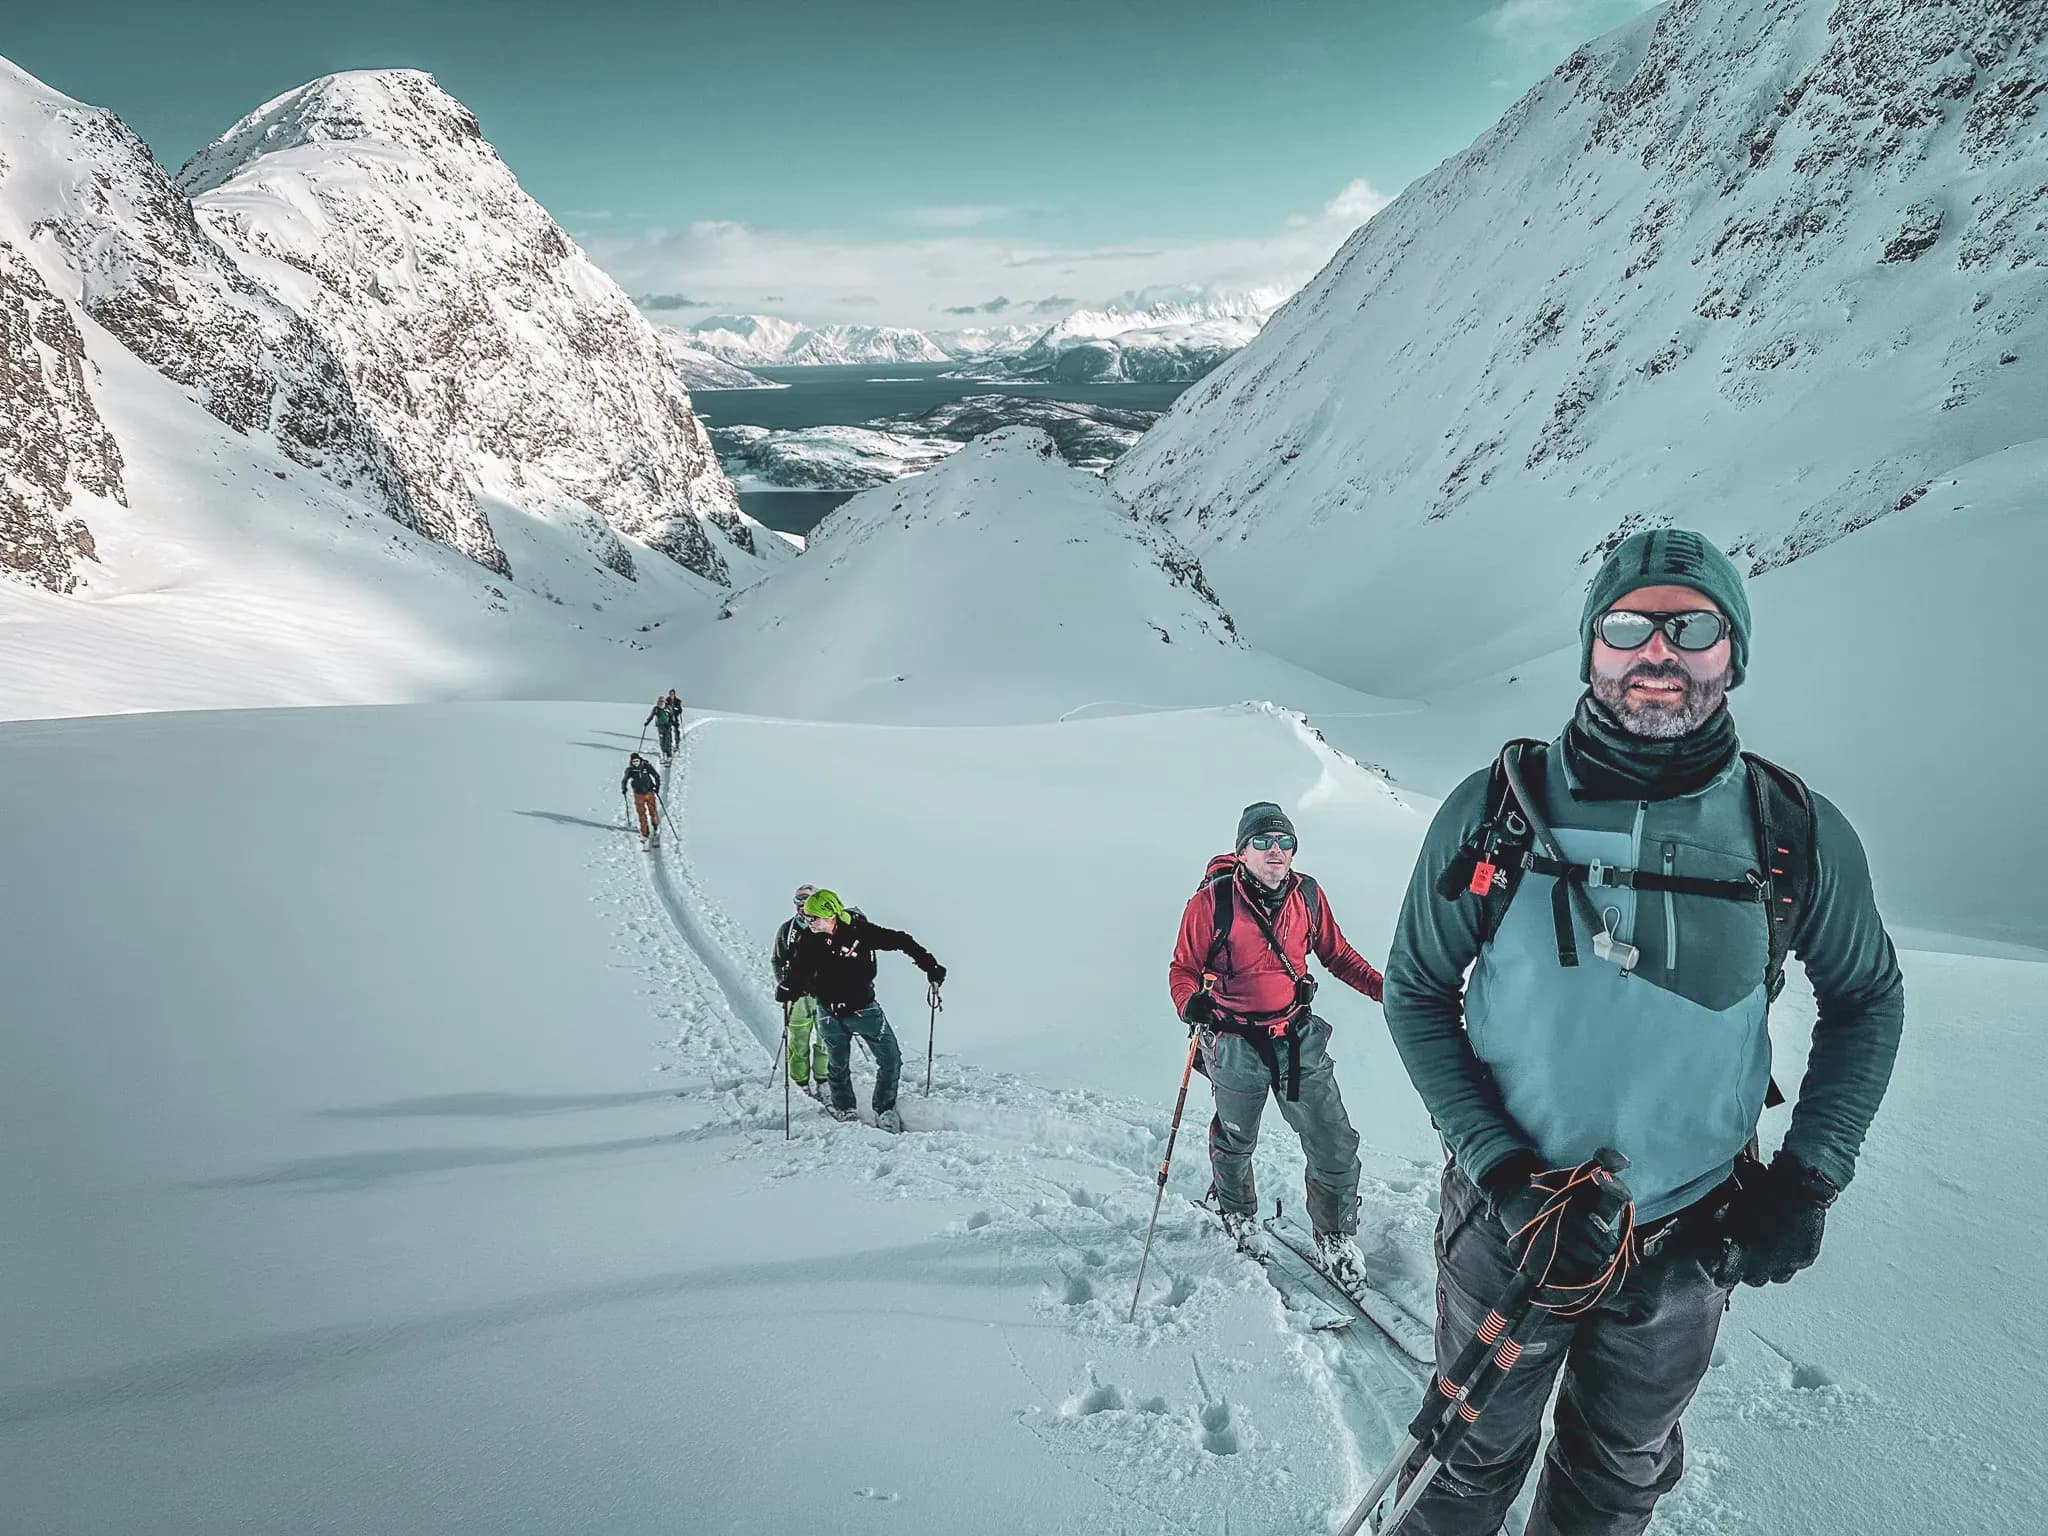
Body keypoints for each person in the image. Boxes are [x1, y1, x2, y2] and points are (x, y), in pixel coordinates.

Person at [1382, 527, 1905, 1536]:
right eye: (1626, 626)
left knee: (1612, 1478)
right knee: (1464, 1464)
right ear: (1589, 649)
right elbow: (1414, 991)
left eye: (1689, 626)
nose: (1655, 652)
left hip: (1684, 1237)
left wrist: (1808, 1175)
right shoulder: (1495, 811)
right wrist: (1498, 1171)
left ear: (1730, 653)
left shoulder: (1787, 830)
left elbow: (1865, 996)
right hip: (1507, 1225)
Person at [1167, 802, 1386, 1287]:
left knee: (1334, 1141)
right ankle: (1238, 1213)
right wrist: (1190, 1004)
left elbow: (1338, 954)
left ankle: (1334, 1233)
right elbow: (1183, 968)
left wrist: (1386, 991)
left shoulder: (1307, 895)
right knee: (1236, 1136)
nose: (1276, 851)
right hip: (1233, 1039)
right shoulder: (1211, 904)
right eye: (1263, 842)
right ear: (1241, 851)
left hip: (1297, 1036)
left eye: (1285, 842)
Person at [773, 889, 945, 1132]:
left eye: (813, 918)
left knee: (890, 1058)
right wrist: (787, 988)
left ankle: (884, 1109)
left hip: (864, 1010)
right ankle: (845, 1108)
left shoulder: (859, 931)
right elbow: (799, 973)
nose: (808, 922)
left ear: (830, 914)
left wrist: (931, 967)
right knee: (837, 1063)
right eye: (806, 918)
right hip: (828, 1013)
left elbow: (902, 941)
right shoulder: (808, 940)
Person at [771, 883, 831, 1096]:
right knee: (798, 1039)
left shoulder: (827, 926)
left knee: (826, 1038)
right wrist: (785, 983)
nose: (801, 906)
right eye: (798, 901)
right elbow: (777, 960)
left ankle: (823, 1079)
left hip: (825, 994)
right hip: (798, 996)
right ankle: (800, 1081)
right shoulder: (787, 930)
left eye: (806, 901)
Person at [620, 752, 661, 844]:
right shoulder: (630, 770)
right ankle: (645, 833)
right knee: (641, 814)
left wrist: (657, 787)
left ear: (640, 760)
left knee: (652, 810)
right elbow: (624, 780)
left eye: (637, 761)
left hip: (649, 792)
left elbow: (656, 776)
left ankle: (655, 826)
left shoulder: (646, 766)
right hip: (638, 795)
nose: (636, 763)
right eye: (634, 761)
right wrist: (624, 788)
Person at [646, 694, 682, 762]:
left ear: (665, 702)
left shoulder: (668, 708)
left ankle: (669, 754)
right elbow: (651, 716)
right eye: (660, 701)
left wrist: (674, 722)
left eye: (662, 701)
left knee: (668, 740)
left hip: (668, 726)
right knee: (662, 740)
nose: (661, 703)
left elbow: (672, 716)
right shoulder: (656, 709)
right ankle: (664, 753)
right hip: (660, 726)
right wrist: (647, 722)